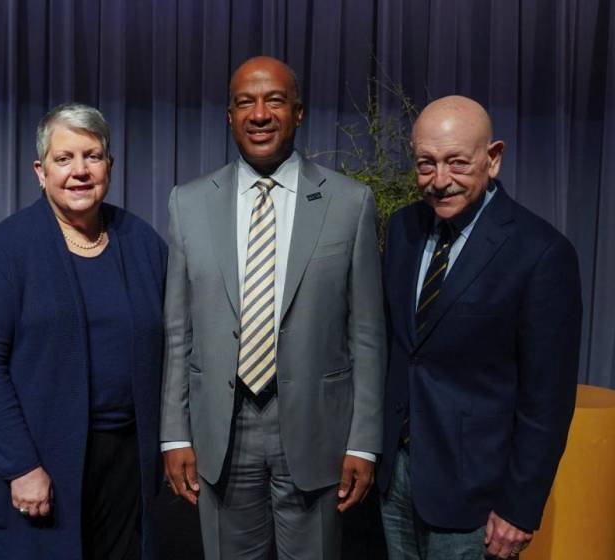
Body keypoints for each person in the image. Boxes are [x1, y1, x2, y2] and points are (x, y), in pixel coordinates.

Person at [160, 56, 386, 558]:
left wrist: (363, 442)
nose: (259, 114)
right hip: (222, 431)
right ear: (230, 115)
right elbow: (179, 332)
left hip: (318, 434)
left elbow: (367, 334)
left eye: (274, 100)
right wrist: (174, 435)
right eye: (245, 102)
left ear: (299, 113)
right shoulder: (188, 203)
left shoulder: (350, 203)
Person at [376, 95, 582, 560]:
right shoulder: (403, 228)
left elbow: (546, 400)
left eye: (457, 163)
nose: (440, 180)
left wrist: (520, 508)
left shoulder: (541, 252)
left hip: (478, 498)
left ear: (493, 159)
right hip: (398, 482)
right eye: (426, 163)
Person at [0, 102, 167, 560]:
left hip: (128, 462)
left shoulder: (143, 242)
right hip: (43, 458)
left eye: (92, 156)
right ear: (40, 172)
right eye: (64, 159)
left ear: (109, 166)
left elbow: (174, 344)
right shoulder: (9, 249)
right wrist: (20, 465)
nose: (80, 171)